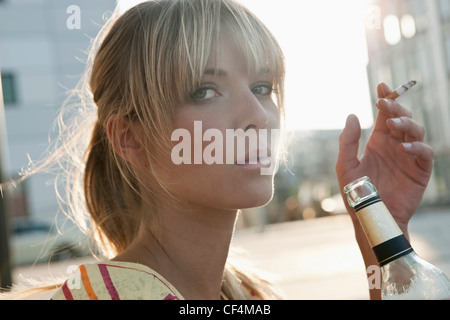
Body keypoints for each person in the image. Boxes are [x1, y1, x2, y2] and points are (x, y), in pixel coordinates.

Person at [3, 0, 433, 300]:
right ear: (129, 138)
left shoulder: (249, 293)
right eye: (205, 90)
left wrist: (383, 232)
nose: (260, 117)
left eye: (263, 87)